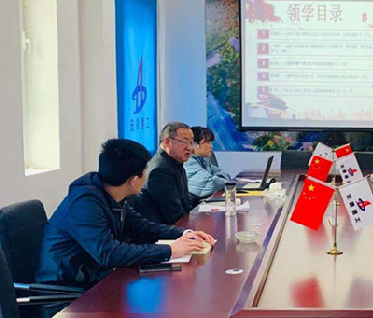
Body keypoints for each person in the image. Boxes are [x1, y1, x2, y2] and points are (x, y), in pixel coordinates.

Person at [36, 139, 213, 287]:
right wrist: (170, 250)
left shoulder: (111, 192)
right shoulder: (85, 203)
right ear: (134, 180)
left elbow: (141, 226)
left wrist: (184, 233)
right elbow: (108, 253)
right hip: (68, 293)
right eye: (145, 172)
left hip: (97, 280)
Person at [134, 121, 195, 224]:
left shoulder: (175, 164)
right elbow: (173, 215)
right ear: (167, 142)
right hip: (161, 230)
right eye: (184, 141)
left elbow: (185, 205)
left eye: (191, 142)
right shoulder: (160, 170)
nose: (190, 148)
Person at [185, 126, 232, 205]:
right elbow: (212, 184)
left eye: (211, 142)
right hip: (194, 208)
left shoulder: (203, 161)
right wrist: (220, 180)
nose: (211, 146)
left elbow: (226, 174)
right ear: (194, 145)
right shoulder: (188, 162)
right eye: (207, 142)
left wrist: (216, 177)